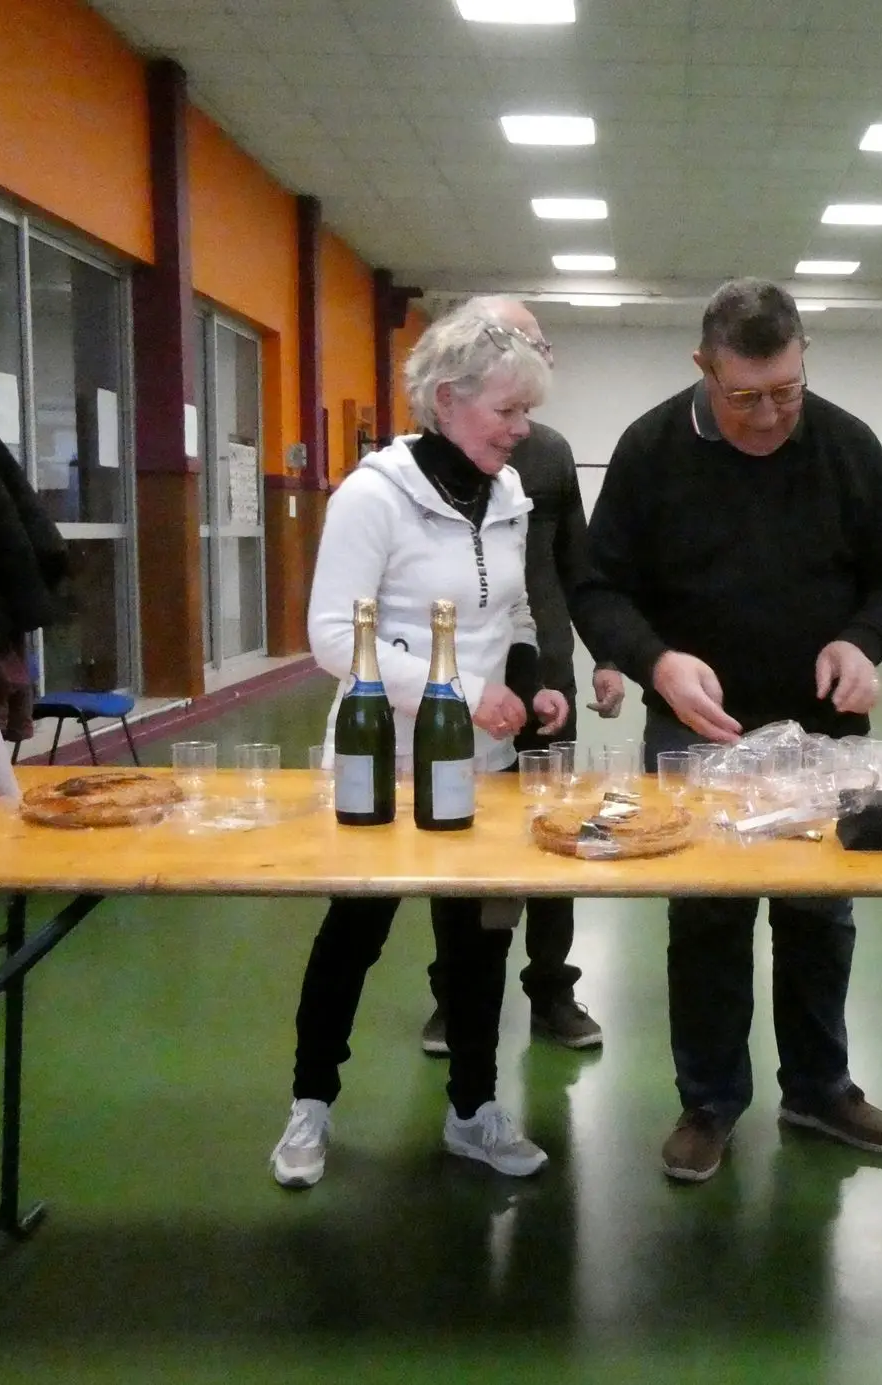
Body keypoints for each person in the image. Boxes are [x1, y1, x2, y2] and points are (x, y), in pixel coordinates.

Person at [575, 277, 882, 1184]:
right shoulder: (650, 449)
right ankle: (709, 1100)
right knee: (707, 916)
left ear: (805, 361)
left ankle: (818, 1087)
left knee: (821, 913)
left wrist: (862, 640)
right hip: (696, 728)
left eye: (786, 391)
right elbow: (599, 587)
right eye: (745, 397)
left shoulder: (847, 445)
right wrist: (656, 661)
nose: (769, 417)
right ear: (704, 367)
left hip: (823, 732)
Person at [270, 303, 567, 1187]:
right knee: (353, 936)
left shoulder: (507, 494)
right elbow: (334, 637)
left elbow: (513, 611)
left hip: (481, 764)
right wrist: (464, 691)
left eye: (526, 411)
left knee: (478, 946)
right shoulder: (373, 496)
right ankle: (309, 1106)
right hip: (384, 761)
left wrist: (528, 680)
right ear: (446, 400)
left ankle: (474, 1111)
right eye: (506, 410)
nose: (521, 429)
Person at [419, 298, 623, 1058]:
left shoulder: (548, 454)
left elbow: (578, 564)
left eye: (543, 349)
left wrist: (607, 656)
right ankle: (455, 994)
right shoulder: (425, 464)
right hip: (464, 682)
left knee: (556, 835)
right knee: (460, 837)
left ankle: (551, 990)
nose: (540, 361)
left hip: (546, 678)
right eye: (525, 346)